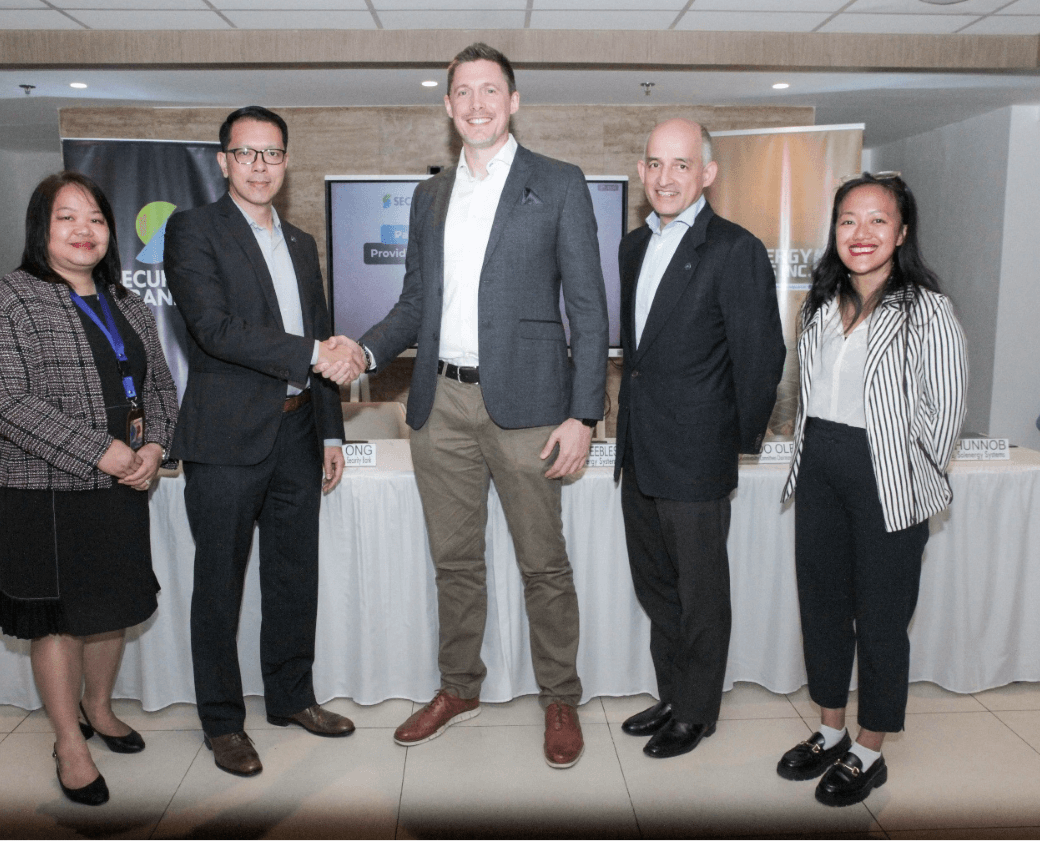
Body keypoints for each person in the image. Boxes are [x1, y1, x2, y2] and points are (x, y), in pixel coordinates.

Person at [320, 43, 608, 769]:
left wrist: (584, 414)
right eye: (462, 92)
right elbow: (415, 302)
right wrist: (363, 350)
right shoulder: (430, 195)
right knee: (456, 562)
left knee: (544, 564)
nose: (476, 103)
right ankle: (459, 686)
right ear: (447, 107)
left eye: (490, 90)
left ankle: (560, 697)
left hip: (533, 406)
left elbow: (587, 306)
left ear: (512, 102)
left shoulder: (560, 183)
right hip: (437, 403)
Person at [0, 171, 178, 806]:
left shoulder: (127, 302)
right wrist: (103, 451)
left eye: (95, 218)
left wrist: (153, 446)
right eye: (67, 218)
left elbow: (162, 387)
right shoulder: (9, 301)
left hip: (123, 483)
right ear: (42, 229)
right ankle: (69, 741)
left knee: (111, 606)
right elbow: (3, 401)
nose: (84, 230)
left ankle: (100, 709)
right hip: (46, 490)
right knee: (56, 619)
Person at [163, 105, 360, 778]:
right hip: (224, 439)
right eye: (245, 153)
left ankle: (291, 697)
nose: (258, 166)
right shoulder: (192, 231)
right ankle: (222, 724)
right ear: (222, 161)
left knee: (291, 575)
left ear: (286, 161)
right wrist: (314, 351)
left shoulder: (302, 243)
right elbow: (214, 329)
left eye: (271, 154)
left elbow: (322, 331)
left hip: (299, 431)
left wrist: (331, 430)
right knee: (218, 585)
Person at [777, 173, 967, 806]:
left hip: (889, 479)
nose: (861, 234)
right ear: (835, 232)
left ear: (902, 232)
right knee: (823, 607)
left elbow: (944, 414)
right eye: (848, 221)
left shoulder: (926, 308)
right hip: (821, 469)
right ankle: (830, 731)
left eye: (878, 221)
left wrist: (909, 474)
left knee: (882, 619)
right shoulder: (819, 302)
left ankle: (869, 748)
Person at [614, 119, 785, 759]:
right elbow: (641, 354)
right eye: (655, 164)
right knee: (657, 588)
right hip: (639, 451)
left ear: (707, 173)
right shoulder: (633, 246)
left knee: (701, 594)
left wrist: (728, 448)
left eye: (681, 165)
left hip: (696, 457)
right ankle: (672, 694)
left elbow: (761, 358)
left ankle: (697, 711)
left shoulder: (735, 250)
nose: (665, 177)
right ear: (642, 171)